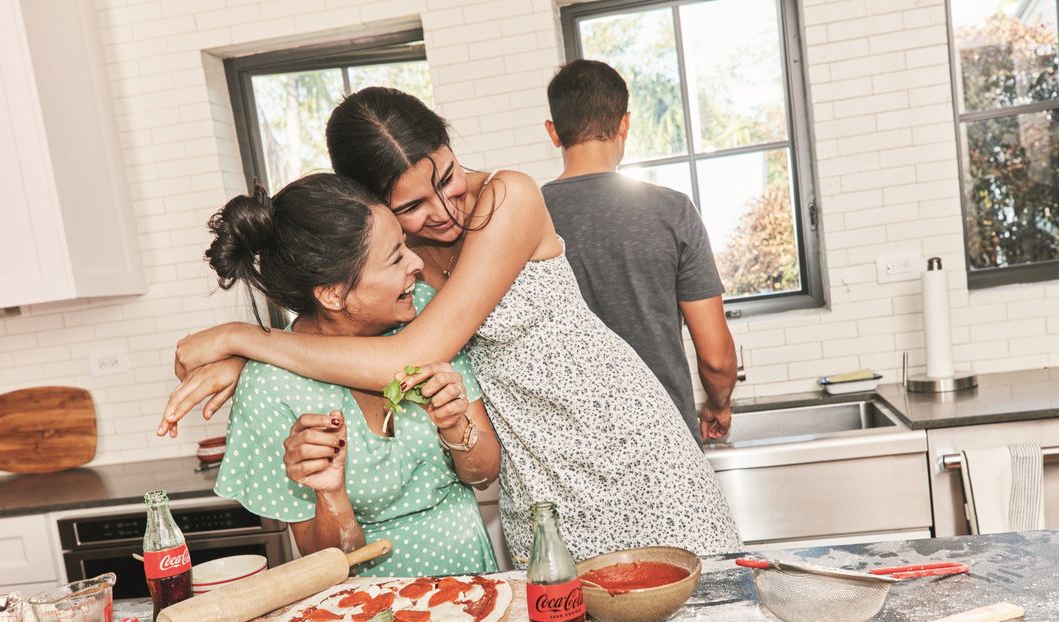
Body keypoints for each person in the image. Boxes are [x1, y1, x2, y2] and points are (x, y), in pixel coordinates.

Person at [159, 87, 741, 564]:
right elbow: (334, 329)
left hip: (619, 439)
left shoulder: (508, 197)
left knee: (696, 616)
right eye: (410, 205)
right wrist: (251, 363)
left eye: (446, 174)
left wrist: (242, 339)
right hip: (534, 471)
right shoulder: (393, 250)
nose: (443, 210)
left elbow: (405, 358)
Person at [199, 173, 500, 577]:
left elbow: (485, 473)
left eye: (405, 246)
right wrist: (330, 493)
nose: (416, 263)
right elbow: (327, 558)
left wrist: (455, 427)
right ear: (333, 294)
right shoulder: (269, 390)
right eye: (395, 257)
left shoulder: (427, 318)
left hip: (475, 578)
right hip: (365, 609)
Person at [543, 59, 738, 445]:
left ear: (553, 132)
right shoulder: (673, 211)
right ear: (624, 124)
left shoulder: (522, 217)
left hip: (568, 448)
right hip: (664, 440)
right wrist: (719, 404)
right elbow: (716, 357)